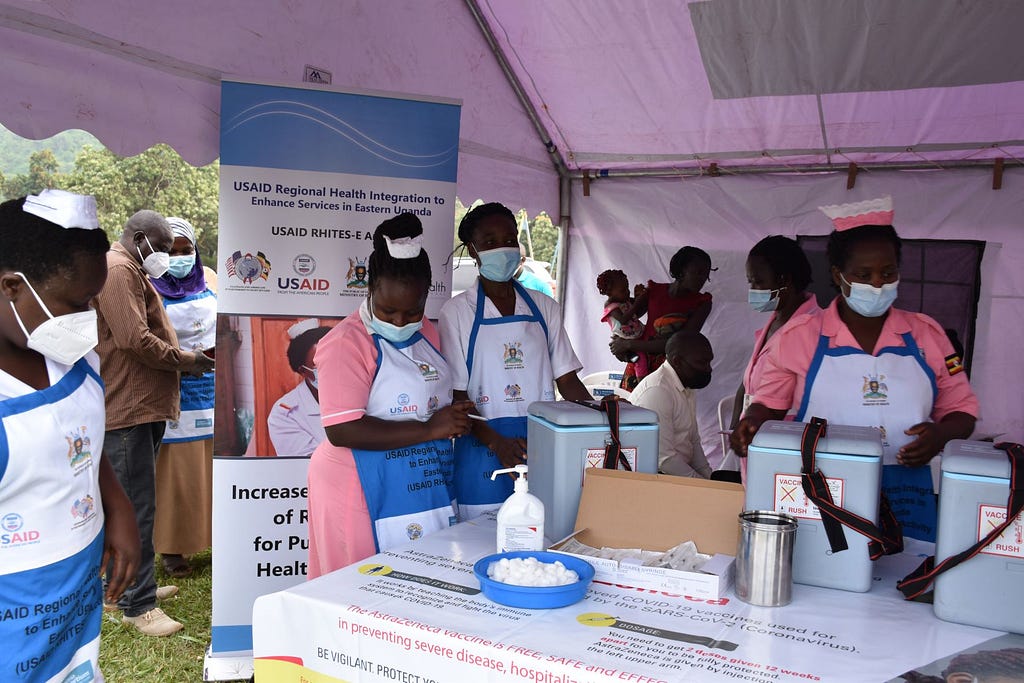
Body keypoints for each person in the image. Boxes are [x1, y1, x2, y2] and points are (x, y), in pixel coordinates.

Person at [730, 196, 979, 542]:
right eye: (864, 275)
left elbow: (962, 410)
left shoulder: (927, 335)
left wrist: (940, 435)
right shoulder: (800, 338)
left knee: (905, 579)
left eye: (888, 273)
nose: (877, 284)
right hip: (823, 487)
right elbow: (769, 404)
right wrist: (753, 421)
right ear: (838, 275)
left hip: (907, 490)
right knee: (829, 574)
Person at [0, 191, 140, 681]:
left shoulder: (75, 362)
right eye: (77, 303)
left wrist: (117, 505)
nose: (89, 319)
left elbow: (79, 441)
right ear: (12, 287)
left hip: (75, 593)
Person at [306, 213, 473, 578]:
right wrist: (430, 428)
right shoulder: (345, 343)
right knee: (362, 585)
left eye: (412, 311)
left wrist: (454, 416)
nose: (400, 321)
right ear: (369, 289)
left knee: (421, 580)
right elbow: (343, 430)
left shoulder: (429, 332)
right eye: (388, 310)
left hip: (418, 478)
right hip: (358, 486)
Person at [93, 209, 215, 635]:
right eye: (162, 248)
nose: (165, 257)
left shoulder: (130, 268)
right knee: (135, 508)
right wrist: (188, 361)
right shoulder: (116, 270)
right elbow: (134, 339)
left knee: (132, 504)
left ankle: (124, 587)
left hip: (142, 405)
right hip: (128, 408)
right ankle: (137, 604)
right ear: (140, 238)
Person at [439, 202, 592, 519]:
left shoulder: (544, 306)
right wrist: (498, 444)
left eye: (509, 239)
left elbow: (567, 381)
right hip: (483, 450)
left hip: (542, 445)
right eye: (490, 241)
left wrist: (604, 418)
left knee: (544, 537)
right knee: (480, 545)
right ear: (473, 250)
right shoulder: (456, 312)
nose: (503, 248)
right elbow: (458, 396)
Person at [150, 217, 217, 579]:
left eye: (185, 250)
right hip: (174, 391)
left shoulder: (213, 281)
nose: (179, 257)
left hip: (214, 389)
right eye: (170, 251)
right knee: (177, 473)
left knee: (211, 469)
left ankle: (217, 537)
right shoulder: (149, 288)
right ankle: (173, 549)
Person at [731, 235, 820, 482]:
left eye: (758, 283)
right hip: (757, 438)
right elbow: (748, 385)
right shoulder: (777, 321)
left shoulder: (811, 329)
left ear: (784, 280)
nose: (753, 291)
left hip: (787, 444)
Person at [611, 246, 713, 392]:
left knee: (659, 409)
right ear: (682, 270)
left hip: (670, 368)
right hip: (639, 361)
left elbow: (678, 344)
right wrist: (619, 343)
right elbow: (628, 322)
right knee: (631, 407)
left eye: (706, 274)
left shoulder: (702, 303)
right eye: (698, 272)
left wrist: (628, 345)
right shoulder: (654, 291)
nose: (703, 279)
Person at [628, 332, 714, 478]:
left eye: (709, 362)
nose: (709, 368)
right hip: (656, 478)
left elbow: (692, 439)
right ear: (677, 361)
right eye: (702, 362)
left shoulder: (686, 383)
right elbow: (664, 460)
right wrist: (702, 485)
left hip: (677, 473)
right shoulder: (658, 391)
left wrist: (709, 478)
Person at [267, 319, 331, 456]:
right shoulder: (284, 414)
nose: (332, 366)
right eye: (318, 363)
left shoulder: (362, 391)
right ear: (302, 370)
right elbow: (313, 463)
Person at [597, 268, 645, 347]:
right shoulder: (610, 306)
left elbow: (635, 310)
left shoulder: (623, 299)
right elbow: (623, 320)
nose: (628, 292)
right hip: (626, 339)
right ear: (609, 292)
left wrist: (637, 295)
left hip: (638, 331)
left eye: (627, 288)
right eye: (623, 290)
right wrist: (637, 303)